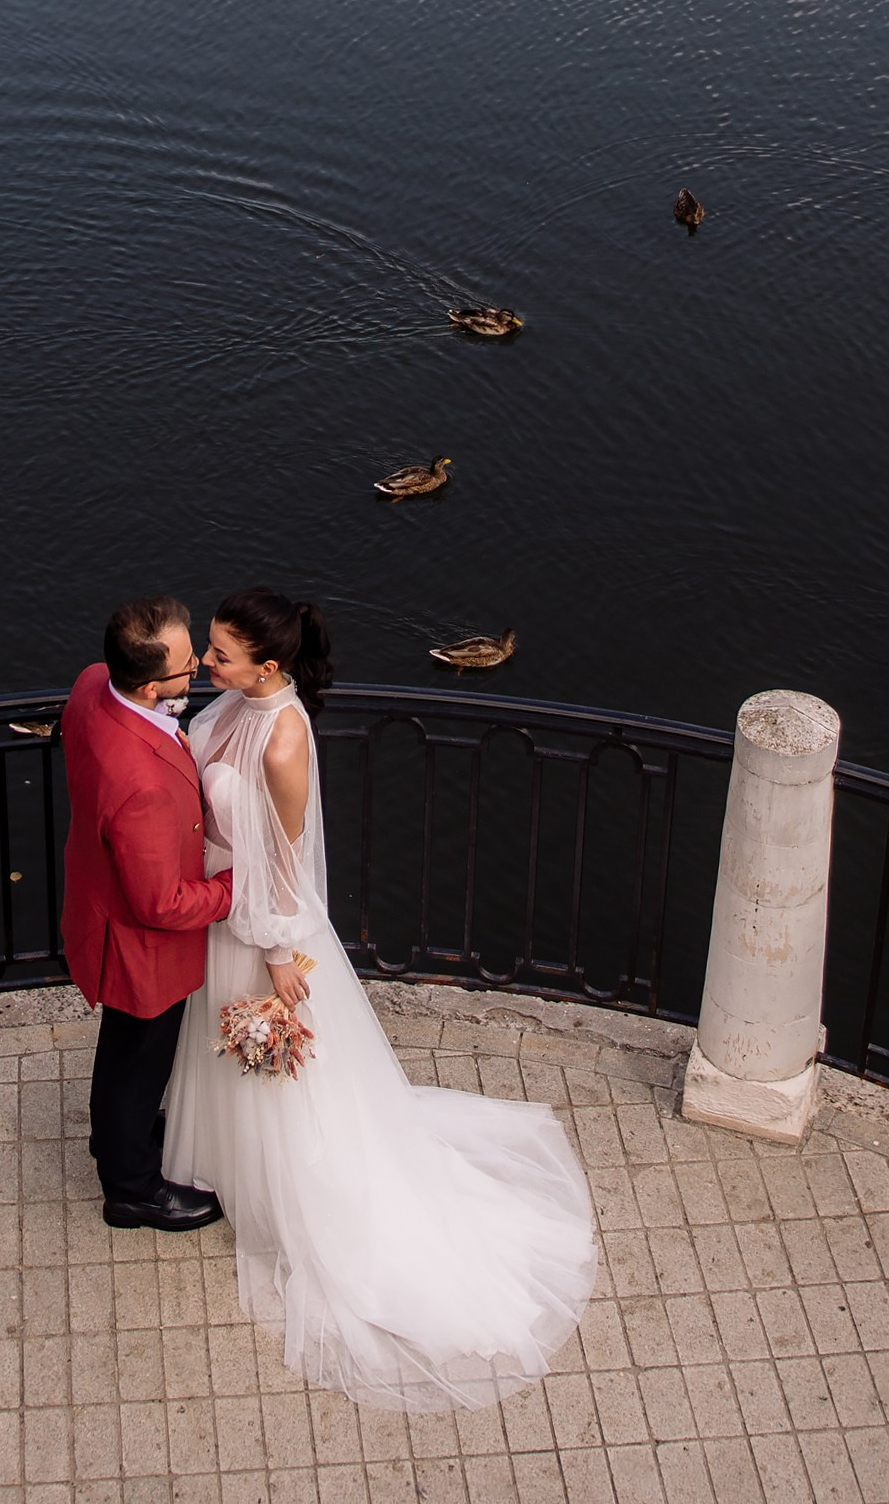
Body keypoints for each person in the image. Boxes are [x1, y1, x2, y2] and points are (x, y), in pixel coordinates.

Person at [161, 586, 598, 1409]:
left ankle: (285, 1192)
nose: (204, 663)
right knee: (224, 1053)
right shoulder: (229, 706)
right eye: (210, 649)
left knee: (275, 1072)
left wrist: (282, 954)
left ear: (269, 666)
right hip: (220, 908)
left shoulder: (283, 741)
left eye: (219, 652)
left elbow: (289, 858)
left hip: (261, 926)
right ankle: (227, 1165)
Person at [60, 594, 238, 1229]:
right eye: (188, 667)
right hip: (139, 946)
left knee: (124, 1054)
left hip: (97, 896)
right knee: (139, 1058)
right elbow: (161, 904)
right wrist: (234, 889)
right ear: (147, 684)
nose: (197, 671)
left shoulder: (90, 686)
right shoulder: (142, 784)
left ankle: (115, 1137)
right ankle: (132, 1189)